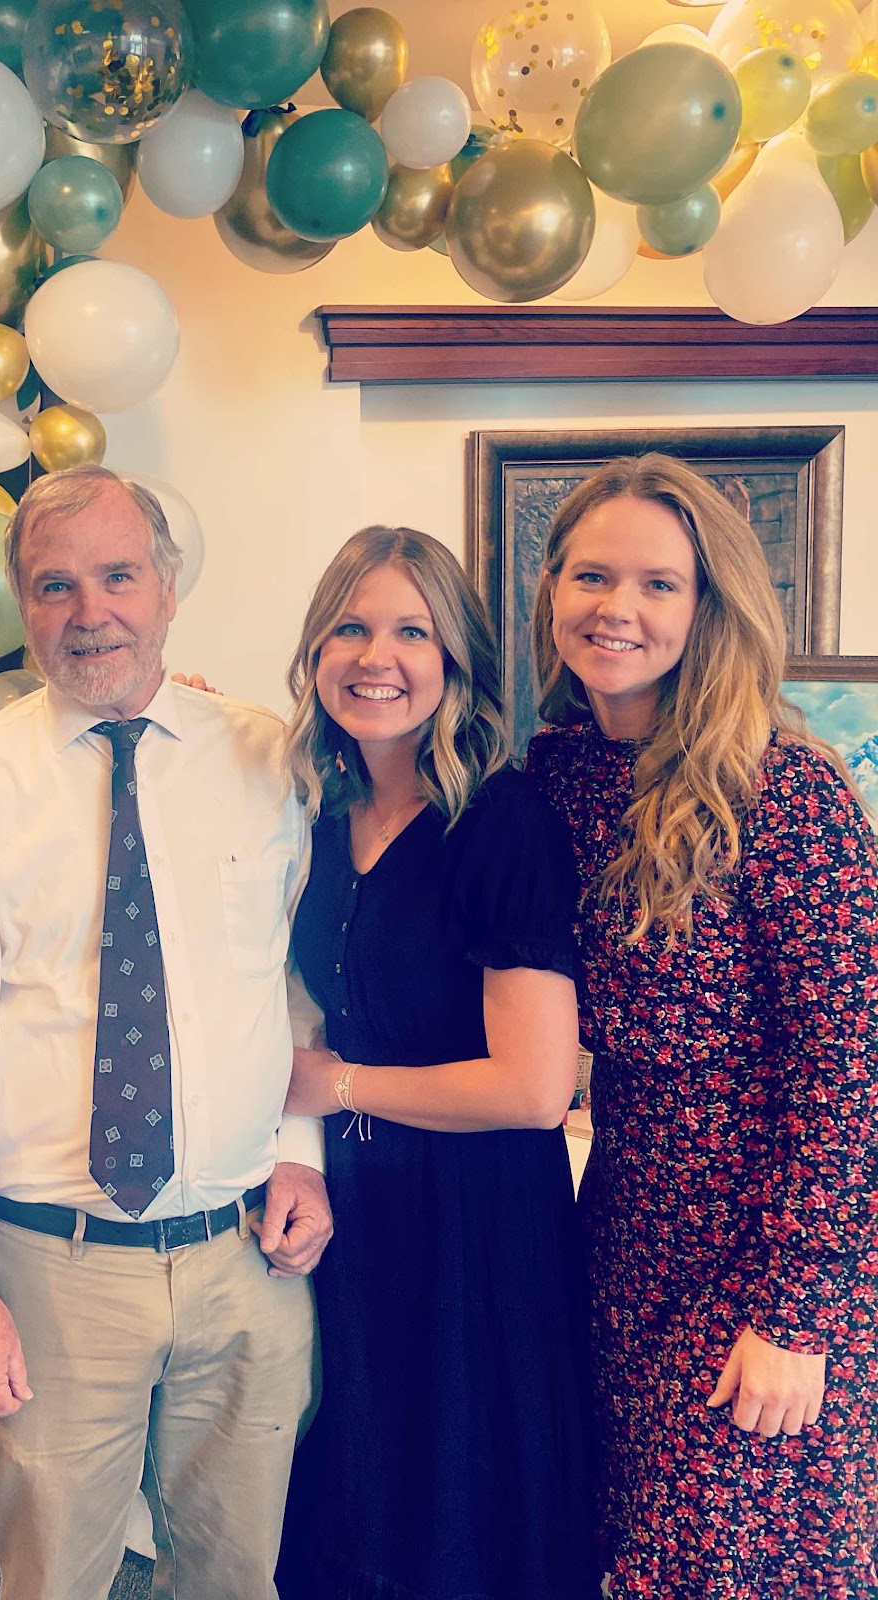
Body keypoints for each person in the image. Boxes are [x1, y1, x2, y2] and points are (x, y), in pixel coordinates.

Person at [0, 465, 331, 1600]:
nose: (90, 612)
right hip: (54, 1263)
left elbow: (294, 983)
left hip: (246, 1254)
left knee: (236, 1575)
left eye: (118, 576)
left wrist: (301, 1154)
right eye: (55, 586)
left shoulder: (266, 758)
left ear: (168, 588)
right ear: (22, 605)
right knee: (54, 1578)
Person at [526, 453, 878, 1599]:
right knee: (630, 1554)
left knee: (726, 1560)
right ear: (551, 588)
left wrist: (798, 1313)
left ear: (707, 605)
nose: (616, 607)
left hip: (763, 1251)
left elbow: (850, 1071)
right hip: (623, 1238)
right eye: (591, 575)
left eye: (657, 583)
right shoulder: (555, 773)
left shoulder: (785, 789)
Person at [274, 527, 599, 1600]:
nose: (378, 656)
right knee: (363, 1492)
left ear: (456, 657)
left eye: (412, 631)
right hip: (363, 1197)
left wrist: (339, 1086)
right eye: (351, 628)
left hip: (476, 1219)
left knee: (461, 1512)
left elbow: (535, 1088)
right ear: (316, 651)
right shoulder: (320, 811)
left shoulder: (500, 821)